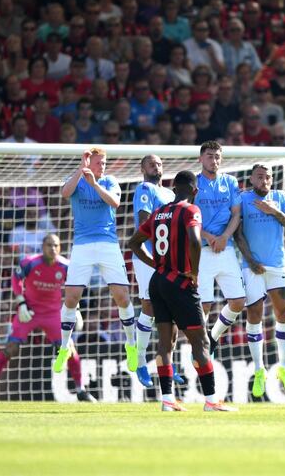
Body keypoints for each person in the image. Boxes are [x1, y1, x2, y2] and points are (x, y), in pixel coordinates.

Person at [128, 170, 234, 412]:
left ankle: (167, 400)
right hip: (181, 283)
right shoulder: (190, 210)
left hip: (158, 282)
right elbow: (195, 241)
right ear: (195, 191)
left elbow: (133, 243)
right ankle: (210, 400)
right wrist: (194, 273)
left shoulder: (157, 213)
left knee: (166, 343)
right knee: (201, 341)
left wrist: (156, 264)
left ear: (173, 188)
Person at [0, 235, 95, 402]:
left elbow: (76, 286)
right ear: (42, 246)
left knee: (68, 350)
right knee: (11, 348)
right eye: (49, 245)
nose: (52, 248)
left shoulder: (66, 266)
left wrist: (76, 308)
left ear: (60, 248)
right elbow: (16, 279)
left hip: (53, 314)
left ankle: (81, 390)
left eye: (56, 245)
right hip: (30, 311)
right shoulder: (29, 262)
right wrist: (21, 302)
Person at [53, 148, 137, 375]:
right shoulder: (77, 178)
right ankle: (64, 348)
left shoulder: (110, 181)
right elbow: (64, 193)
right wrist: (82, 171)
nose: (103, 166)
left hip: (108, 244)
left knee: (122, 297)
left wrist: (94, 183)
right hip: (82, 245)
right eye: (99, 162)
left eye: (104, 162)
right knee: (71, 298)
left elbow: (115, 203)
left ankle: (131, 344)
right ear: (89, 162)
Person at [232, 164, 285, 398]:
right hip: (252, 266)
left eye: (268, 177)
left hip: (277, 264)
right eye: (260, 177)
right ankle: (259, 370)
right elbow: (237, 234)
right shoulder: (243, 199)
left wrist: (275, 212)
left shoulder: (280, 197)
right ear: (251, 179)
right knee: (254, 315)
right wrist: (250, 261)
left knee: (284, 313)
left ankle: (283, 368)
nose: (265, 180)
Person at [129, 155, 185, 387]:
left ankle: (166, 364)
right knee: (149, 306)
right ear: (142, 168)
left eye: (160, 164)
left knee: (170, 313)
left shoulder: (171, 195)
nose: (156, 167)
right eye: (151, 164)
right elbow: (145, 221)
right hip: (147, 255)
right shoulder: (144, 188)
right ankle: (140, 362)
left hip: (169, 258)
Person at [194, 142, 248, 343]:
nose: (214, 160)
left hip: (225, 248)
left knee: (238, 302)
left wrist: (225, 236)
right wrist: (207, 235)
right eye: (209, 156)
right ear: (200, 159)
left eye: (217, 156)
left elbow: (236, 214)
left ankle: (213, 337)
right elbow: (185, 218)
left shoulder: (231, 182)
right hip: (201, 250)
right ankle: (199, 346)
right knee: (204, 305)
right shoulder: (193, 183)